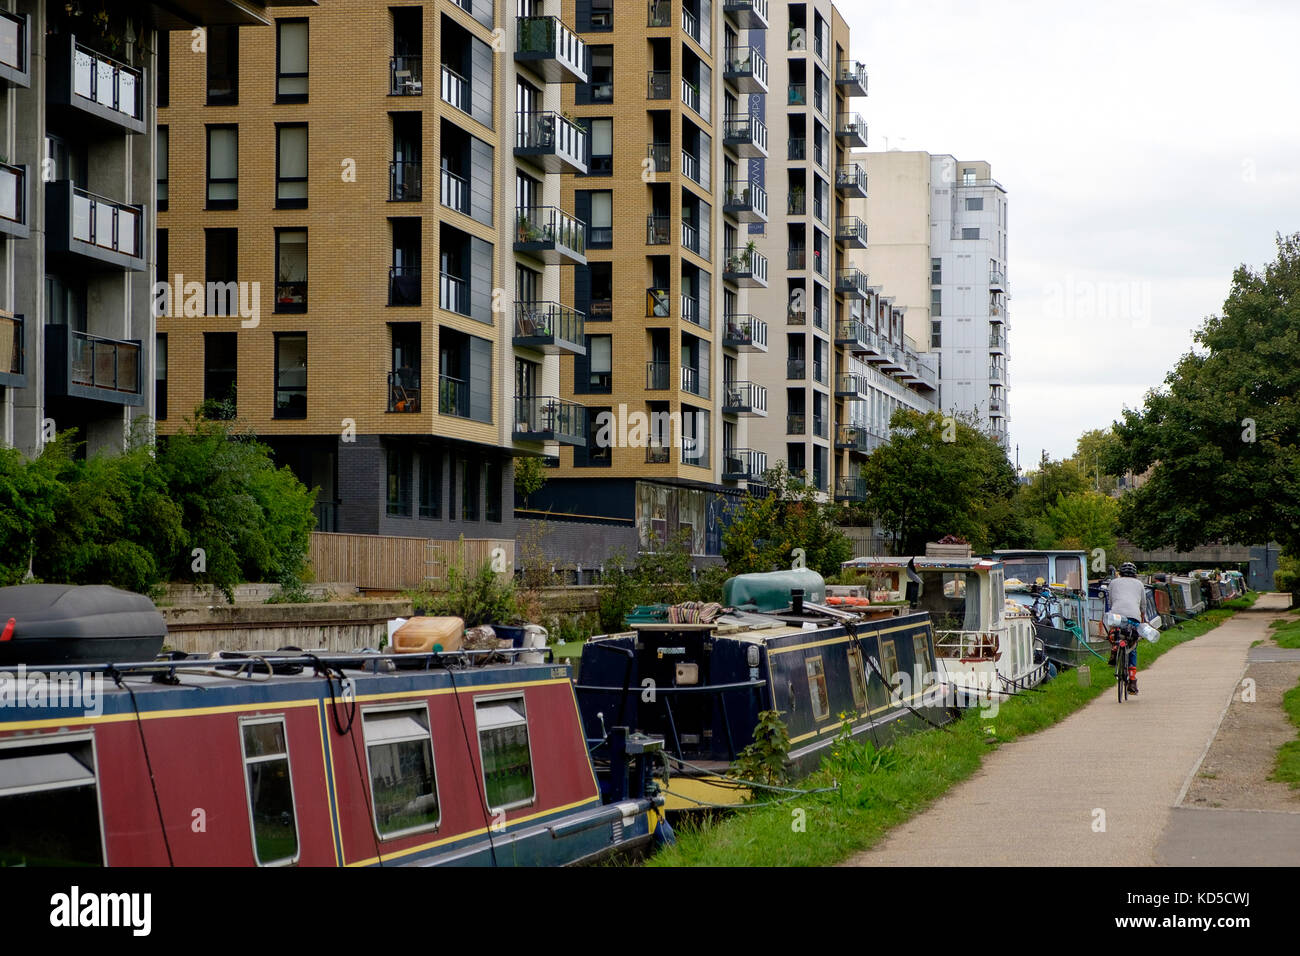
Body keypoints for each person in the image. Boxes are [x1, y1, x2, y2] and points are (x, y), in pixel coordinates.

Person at [1108, 562, 1147, 694]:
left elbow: (1111, 601)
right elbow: (1143, 605)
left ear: (1120, 572)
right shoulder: (1140, 584)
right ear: (1135, 574)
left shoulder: (1113, 582)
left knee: (1114, 632)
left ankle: (1114, 647)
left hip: (1116, 615)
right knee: (1133, 646)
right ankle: (1132, 680)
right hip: (1133, 616)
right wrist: (1142, 618)